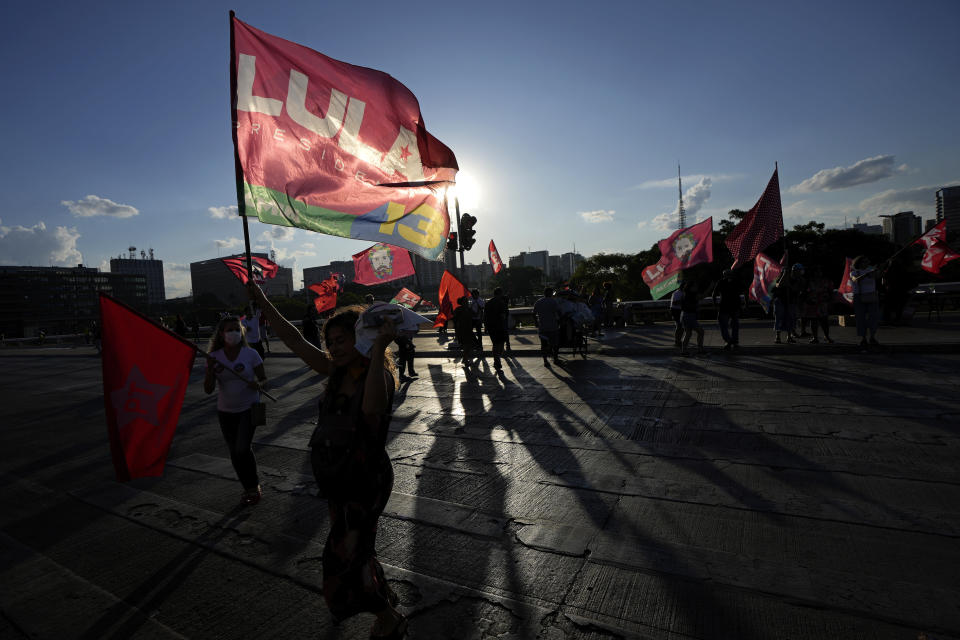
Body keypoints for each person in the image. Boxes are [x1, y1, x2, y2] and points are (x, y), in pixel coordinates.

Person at [247, 283, 406, 639]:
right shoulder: (335, 372)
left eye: (341, 340)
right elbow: (294, 341)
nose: (333, 348)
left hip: (365, 481)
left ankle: (387, 616)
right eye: (330, 341)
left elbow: (370, 410)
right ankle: (383, 595)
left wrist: (380, 346)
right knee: (356, 549)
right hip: (337, 479)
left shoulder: (377, 375)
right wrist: (264, 300)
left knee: (342, 557)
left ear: (361, 339)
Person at [202, 315, 267, 506]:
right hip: (225, 412)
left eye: (237, 329)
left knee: (242, 448)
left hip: (250, 408)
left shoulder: (251, 354)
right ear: (221, 334)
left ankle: (254, 486)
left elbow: (264, 379)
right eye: (229, 330)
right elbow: (208, 389)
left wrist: (259, 384)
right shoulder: (214, 358)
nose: (234, 333)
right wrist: (210, 371)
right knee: (235, 452)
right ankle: (248, 488)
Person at [851, 255, 882, 348]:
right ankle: (863, 338)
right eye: (864, 261)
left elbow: (879, 275)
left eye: (867, 261)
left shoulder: (872, 270)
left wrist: (884, 267)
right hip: (859, 296)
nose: (867, 263)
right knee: (861, 318)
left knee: (873, 317)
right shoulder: (854, 272)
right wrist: (866, 274)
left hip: (872, 296)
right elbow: (855, 280)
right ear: (859, 263)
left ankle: (872, 336)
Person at [712, 269, 743, 350]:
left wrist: (715, 305)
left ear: (724, 275)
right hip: (735, 306)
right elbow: (745, 292)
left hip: (724, 307)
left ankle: (728, 341)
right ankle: (735, 341)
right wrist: (745, 304)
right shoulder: (737, 281)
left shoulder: (721, 282)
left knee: (723, 326)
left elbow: (714, 294)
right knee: (735, 325)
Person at [803, 265, 834, 344]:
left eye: (819, 271)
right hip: (812, 303)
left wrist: (830, 302)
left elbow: (831, 292)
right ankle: (815, 338)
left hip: (823, 303)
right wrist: (807, 300)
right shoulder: (810, 281)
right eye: (816, 271)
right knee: (813, 321)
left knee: (824, 321)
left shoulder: (827, 281)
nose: (818, 273)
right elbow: (805, 292)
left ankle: (827, 337)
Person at [533, 287, 562, 366]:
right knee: (555, 344)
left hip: (542, 327)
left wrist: (536, 322)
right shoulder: (553, 302)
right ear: (551, 293)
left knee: (543, 345)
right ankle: (555, 359)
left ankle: (545, 361)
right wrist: (559, 321)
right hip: (553, 326)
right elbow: (559, 312)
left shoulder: (538, 302)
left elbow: (533, 313)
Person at [484, 287, 509, 371]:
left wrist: (486, 326)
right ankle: (497, 359)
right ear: (500, 294)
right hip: (499, 326)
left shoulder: (488, 303)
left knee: (495, 344)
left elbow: (485, 316)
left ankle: (496, 360)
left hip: (491, 327)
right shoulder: (501, 303)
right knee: (501, 344)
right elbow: (503, 316)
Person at [679, 280, 704, 355]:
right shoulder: (691, 294)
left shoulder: (685, 294)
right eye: (695, 286)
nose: (696, 287)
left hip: (684, 315)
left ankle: (684, 351)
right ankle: (700, 349)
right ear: (691, 287)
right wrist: (710, 287)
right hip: (689, 315)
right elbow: (702, 296)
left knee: (688, 333)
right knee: (700, 331)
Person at [453, 296, 478, 368]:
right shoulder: (458, 310)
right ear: (462, 302)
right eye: (465, 301)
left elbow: (475, 314)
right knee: (466, 345)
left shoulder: (469, 309)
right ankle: (465, 359)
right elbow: (455, 320)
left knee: (471, 345)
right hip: (462, 330)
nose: (467, 302)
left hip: (469, 329)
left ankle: (465, 358)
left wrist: (477, 307)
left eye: (467, 301)